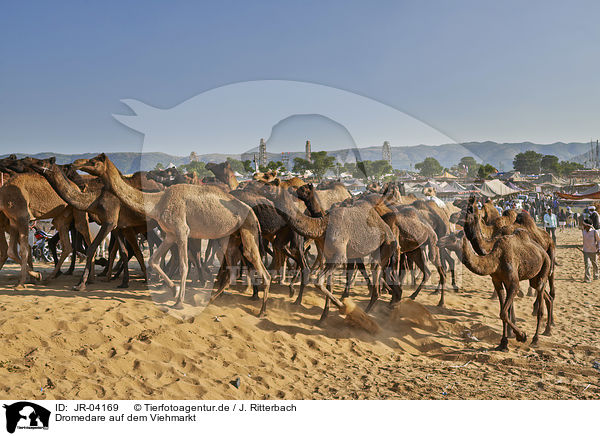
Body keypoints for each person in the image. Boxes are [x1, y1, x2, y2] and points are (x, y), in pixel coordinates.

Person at [582, 218, 600, 283]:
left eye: (584, 225)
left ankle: (596, 275)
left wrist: (599, 249)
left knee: (595, 264)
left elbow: (598, 241)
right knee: (587, 264)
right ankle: (587, 278)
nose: (583, 226)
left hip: (593, 251)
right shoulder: (583, 231)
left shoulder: (594, 232)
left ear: (587, 225)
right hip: (586, 251)